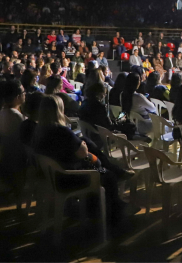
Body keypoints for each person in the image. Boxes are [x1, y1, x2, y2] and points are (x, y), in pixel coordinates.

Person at [31, 95, 127, 224]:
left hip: (55, 177)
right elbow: (83, 153)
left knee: (96, 160)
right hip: (70, 178)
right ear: (59, 110)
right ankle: (113, 215)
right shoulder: (61, 131)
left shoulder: (39, 131)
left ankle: (95, 207)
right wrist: (83, 147)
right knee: (108, 176)